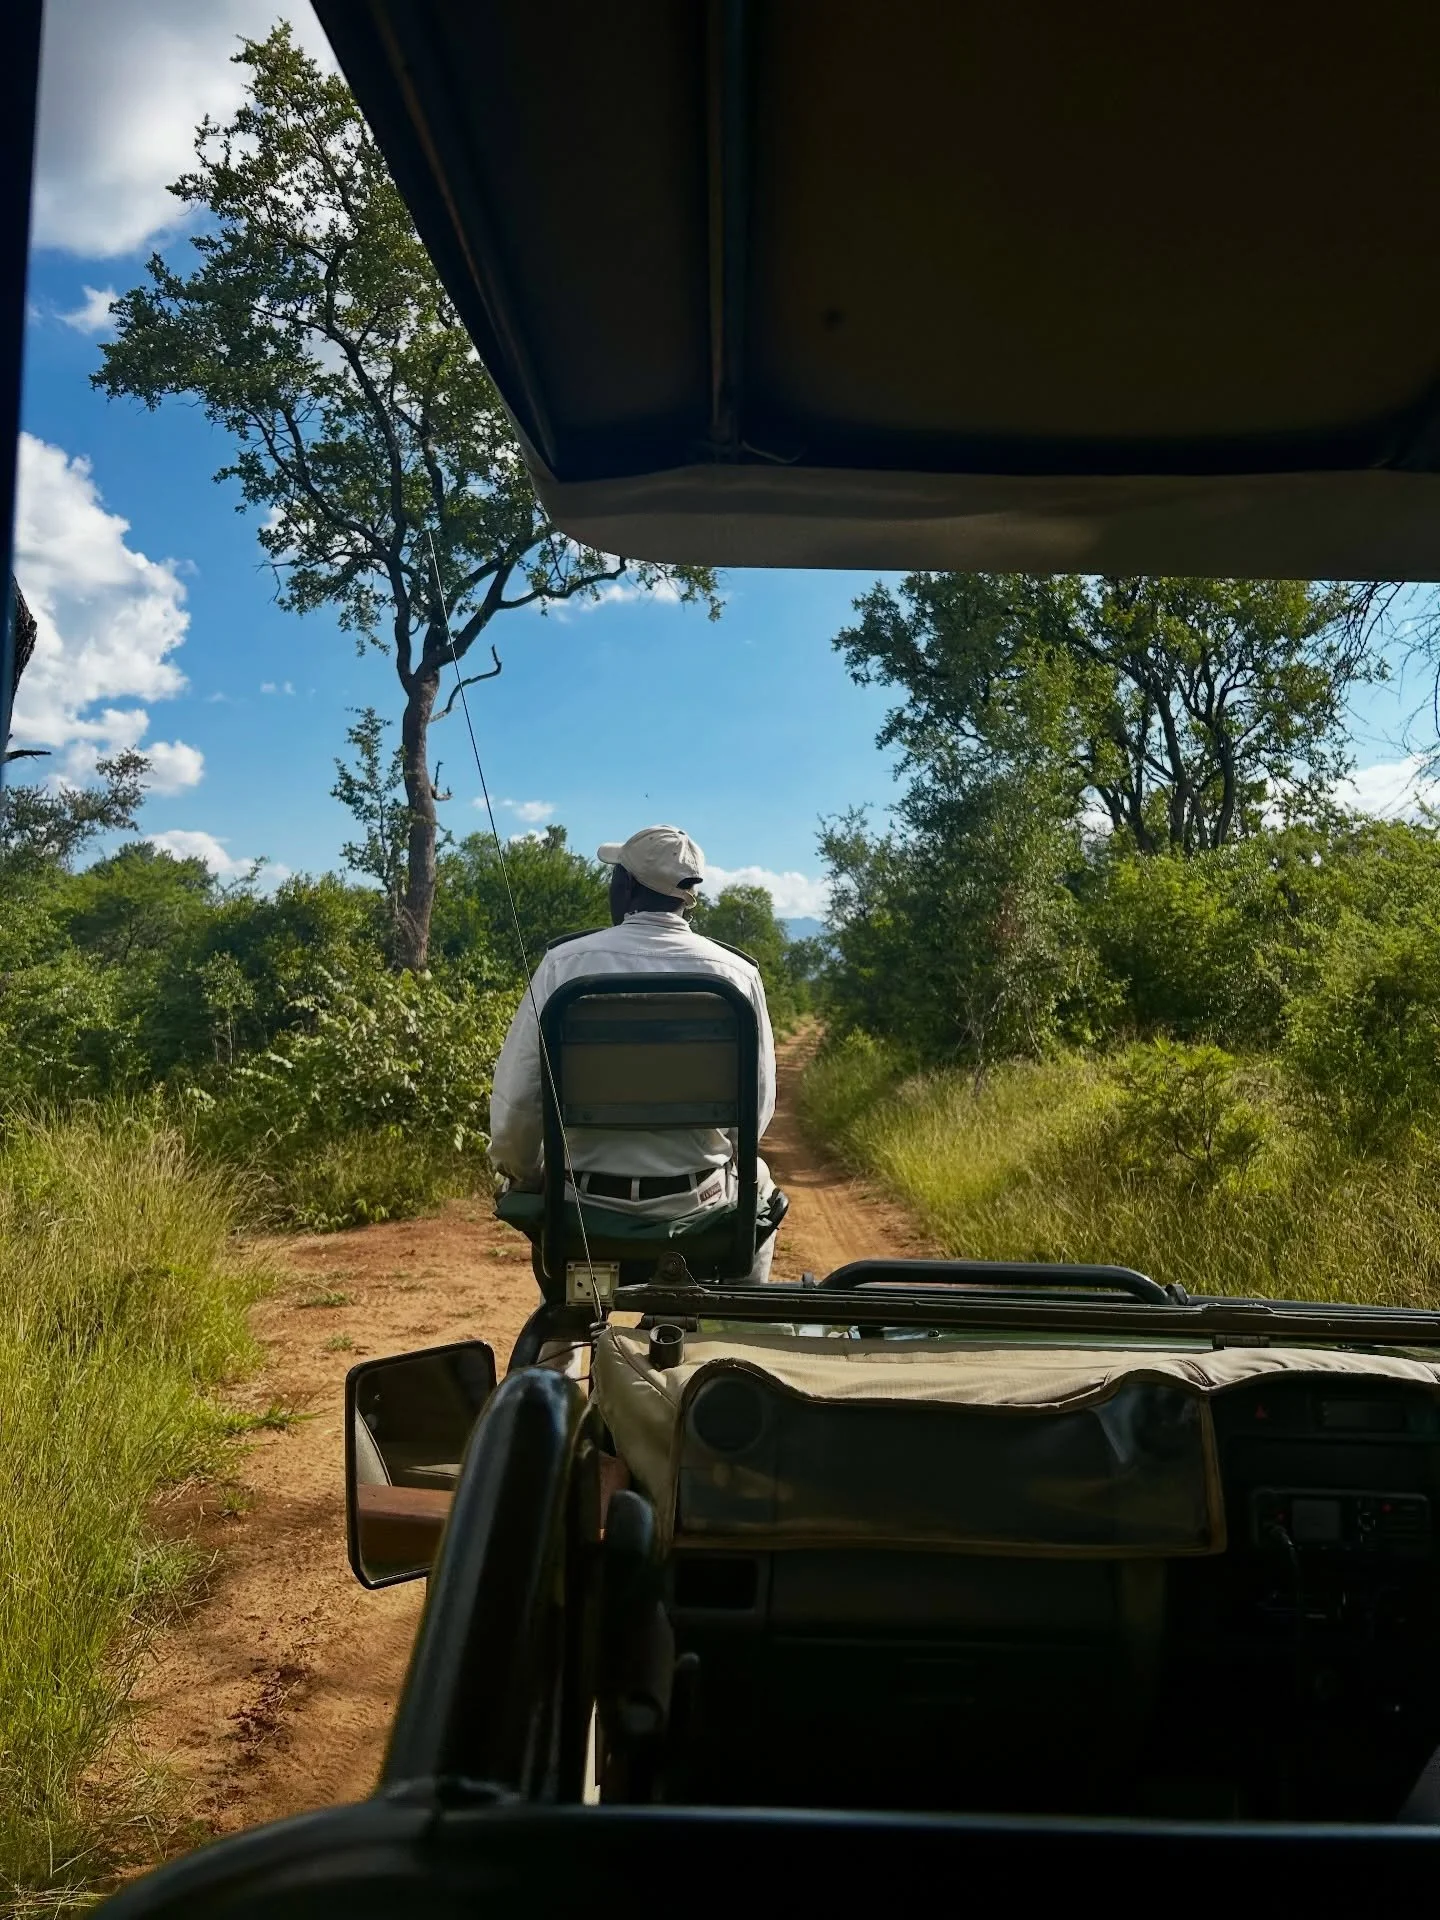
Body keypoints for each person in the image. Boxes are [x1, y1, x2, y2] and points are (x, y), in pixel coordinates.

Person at [489, 823, 781, 1281]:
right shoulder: (737, 974)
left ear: (625, 885)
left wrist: (525, 1175)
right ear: (687, 896)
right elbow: (757, 1109)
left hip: (582, 1208)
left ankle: (567, 1321)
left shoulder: (563, 965)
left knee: (556, 1274)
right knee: (759, 1182)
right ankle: (739, 1307)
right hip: (697, 1204)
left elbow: (518, 1100)